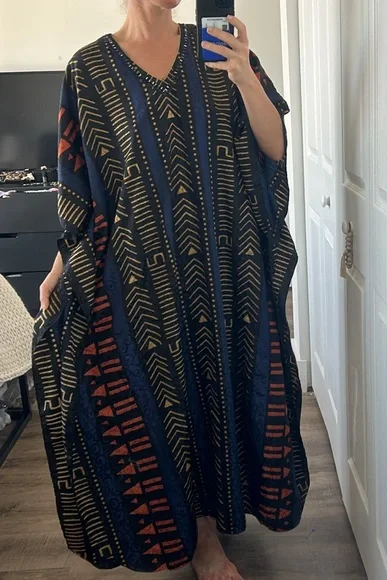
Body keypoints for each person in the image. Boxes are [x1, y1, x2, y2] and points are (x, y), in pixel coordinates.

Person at [33, 1, 309, 578]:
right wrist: (62, 265)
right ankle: (196, 538)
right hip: (142, 279)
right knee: (167, 402)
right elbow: (84, 188)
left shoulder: (219, 51)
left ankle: (214, 530)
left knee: (226, 392)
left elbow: (275, 147)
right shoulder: (88, 71)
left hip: (226, 267)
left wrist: (243, 76)